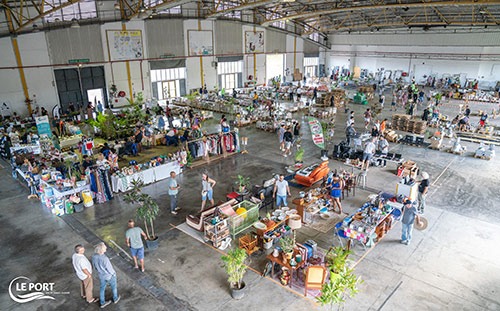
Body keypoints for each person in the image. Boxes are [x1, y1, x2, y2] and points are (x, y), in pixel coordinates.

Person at [92, 242, 120, 308]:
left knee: (102, 288)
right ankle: (115, 298)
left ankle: (102, 302)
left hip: (101, 275)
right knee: (114, 287)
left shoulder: (94, 256)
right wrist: (114, 274)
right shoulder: (105, 259)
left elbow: (94, 266)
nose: (106, 248)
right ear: (101, 250)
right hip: (109, 275)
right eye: (105, 248)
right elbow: (109, 269)